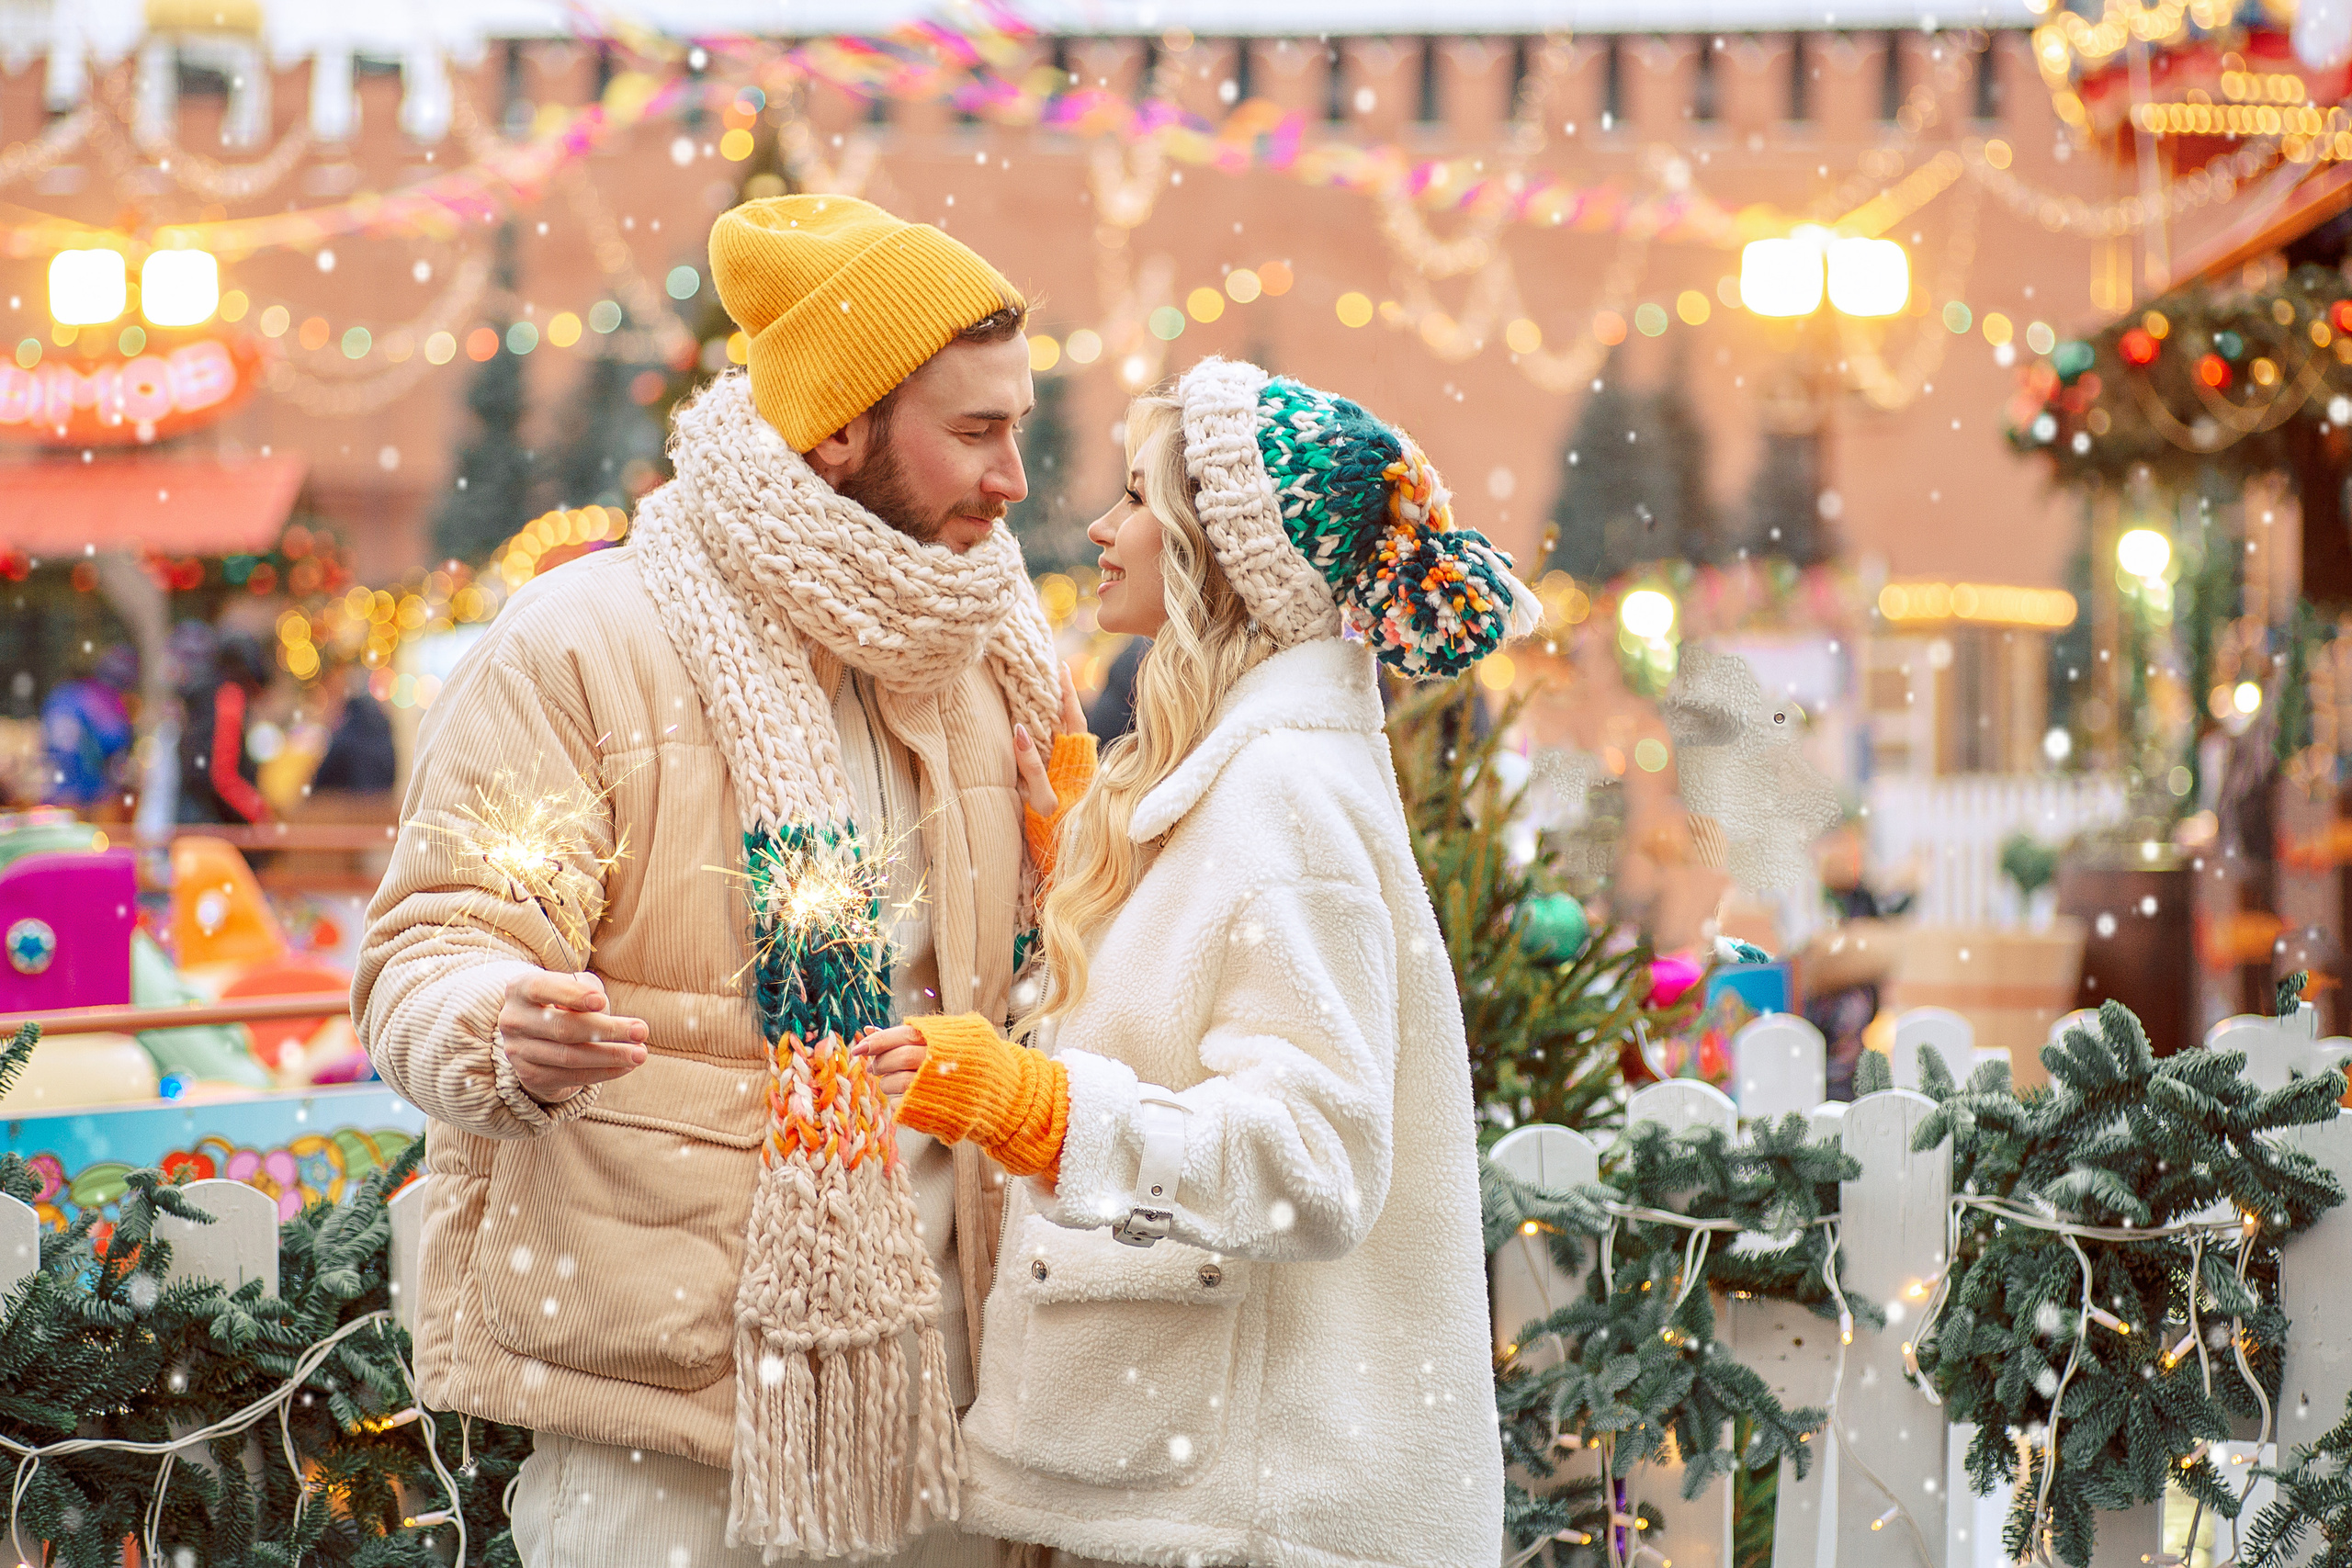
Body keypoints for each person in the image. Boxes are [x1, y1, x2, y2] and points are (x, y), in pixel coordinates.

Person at [355, 195, 1080, 1567]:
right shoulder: (587, 642)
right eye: (977, 432)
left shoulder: (990, 653)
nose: (1014, 480)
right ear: (842, 429)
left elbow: (1053, 977)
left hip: (949, 1407)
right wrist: (498, 1024)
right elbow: (432, 943)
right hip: (668, 1425)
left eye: (1018, 429)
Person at [855, 359, 1532, 1567]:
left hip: (1241, 1515)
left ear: (1217, 554)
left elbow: (1312, 1161)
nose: (1100, 528)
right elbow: (1199, 984)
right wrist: (1093, 856)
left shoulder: (1283, 794)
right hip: (1199, 1488)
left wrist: (1041, 1111)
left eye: (1134, 498)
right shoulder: (1250, 775)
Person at [40, 644, 138, 809]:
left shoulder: (63, 696)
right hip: (92, 799)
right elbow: (117, 752)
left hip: (59, 795)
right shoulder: (107, 705)